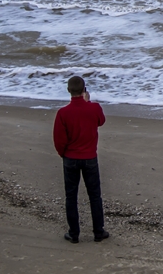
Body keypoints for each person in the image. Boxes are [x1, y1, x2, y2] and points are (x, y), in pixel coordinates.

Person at [53, 75, 109, 243]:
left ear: (69, 91)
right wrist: (88, 102)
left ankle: (74, 233)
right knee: (94, 196)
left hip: (70, 157)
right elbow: (101, 121)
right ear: (84, 90)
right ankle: (98, 231)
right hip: (90, 157)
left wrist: (63, 154)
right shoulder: (94, 108)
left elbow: (59, 139)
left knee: (71, 196)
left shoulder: (63, 113)